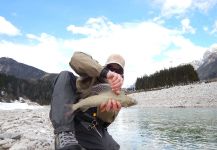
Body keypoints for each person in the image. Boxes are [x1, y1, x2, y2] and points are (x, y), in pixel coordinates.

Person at [49, 51, 125, 150]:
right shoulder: (93, 71)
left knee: (113, 147)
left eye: (118, 71)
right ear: (105, 67)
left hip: (91, 126)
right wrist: (104, 73)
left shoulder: (118, 94)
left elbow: (106, 120)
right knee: (65, 75)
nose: (114, 72)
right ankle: (64, 134)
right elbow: (76, 58)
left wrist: (106, 109)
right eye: (110, 68)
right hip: (71, 117)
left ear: (122, 75)